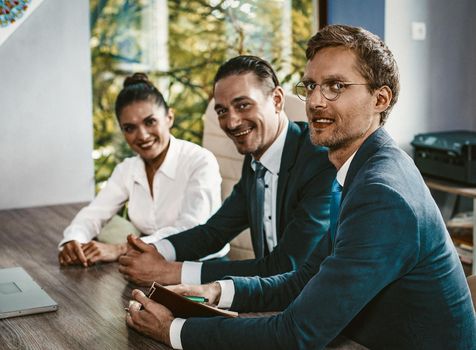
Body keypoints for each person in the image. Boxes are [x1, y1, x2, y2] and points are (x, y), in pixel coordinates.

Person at [125, 25, 476, 349]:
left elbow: (296, 333)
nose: (315, 101)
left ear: (380, 100)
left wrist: (173, 330)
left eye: (336, 86)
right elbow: (303, 279)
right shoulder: (362, 167)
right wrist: (217, 291)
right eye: (310, 86)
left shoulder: (380, 192)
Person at [118, 56, 335, 286]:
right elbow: (214, 232)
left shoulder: (319, 161)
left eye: (243, 105)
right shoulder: (256, 159)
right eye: (222, 111)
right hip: (268, 300)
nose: (231, 122)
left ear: (277, 100)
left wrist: (172, 272)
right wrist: (154, 251)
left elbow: (285, 266)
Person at [58, 73, 226, 267]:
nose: (142, 135)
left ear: (169, 117)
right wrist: (74, 241)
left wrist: (120, 249)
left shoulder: (199, 161)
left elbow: (192, 229)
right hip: (150, 265)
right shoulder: (128, 169)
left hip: (203, 269)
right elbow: (93, 214)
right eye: (130, 128)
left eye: (150, 122)